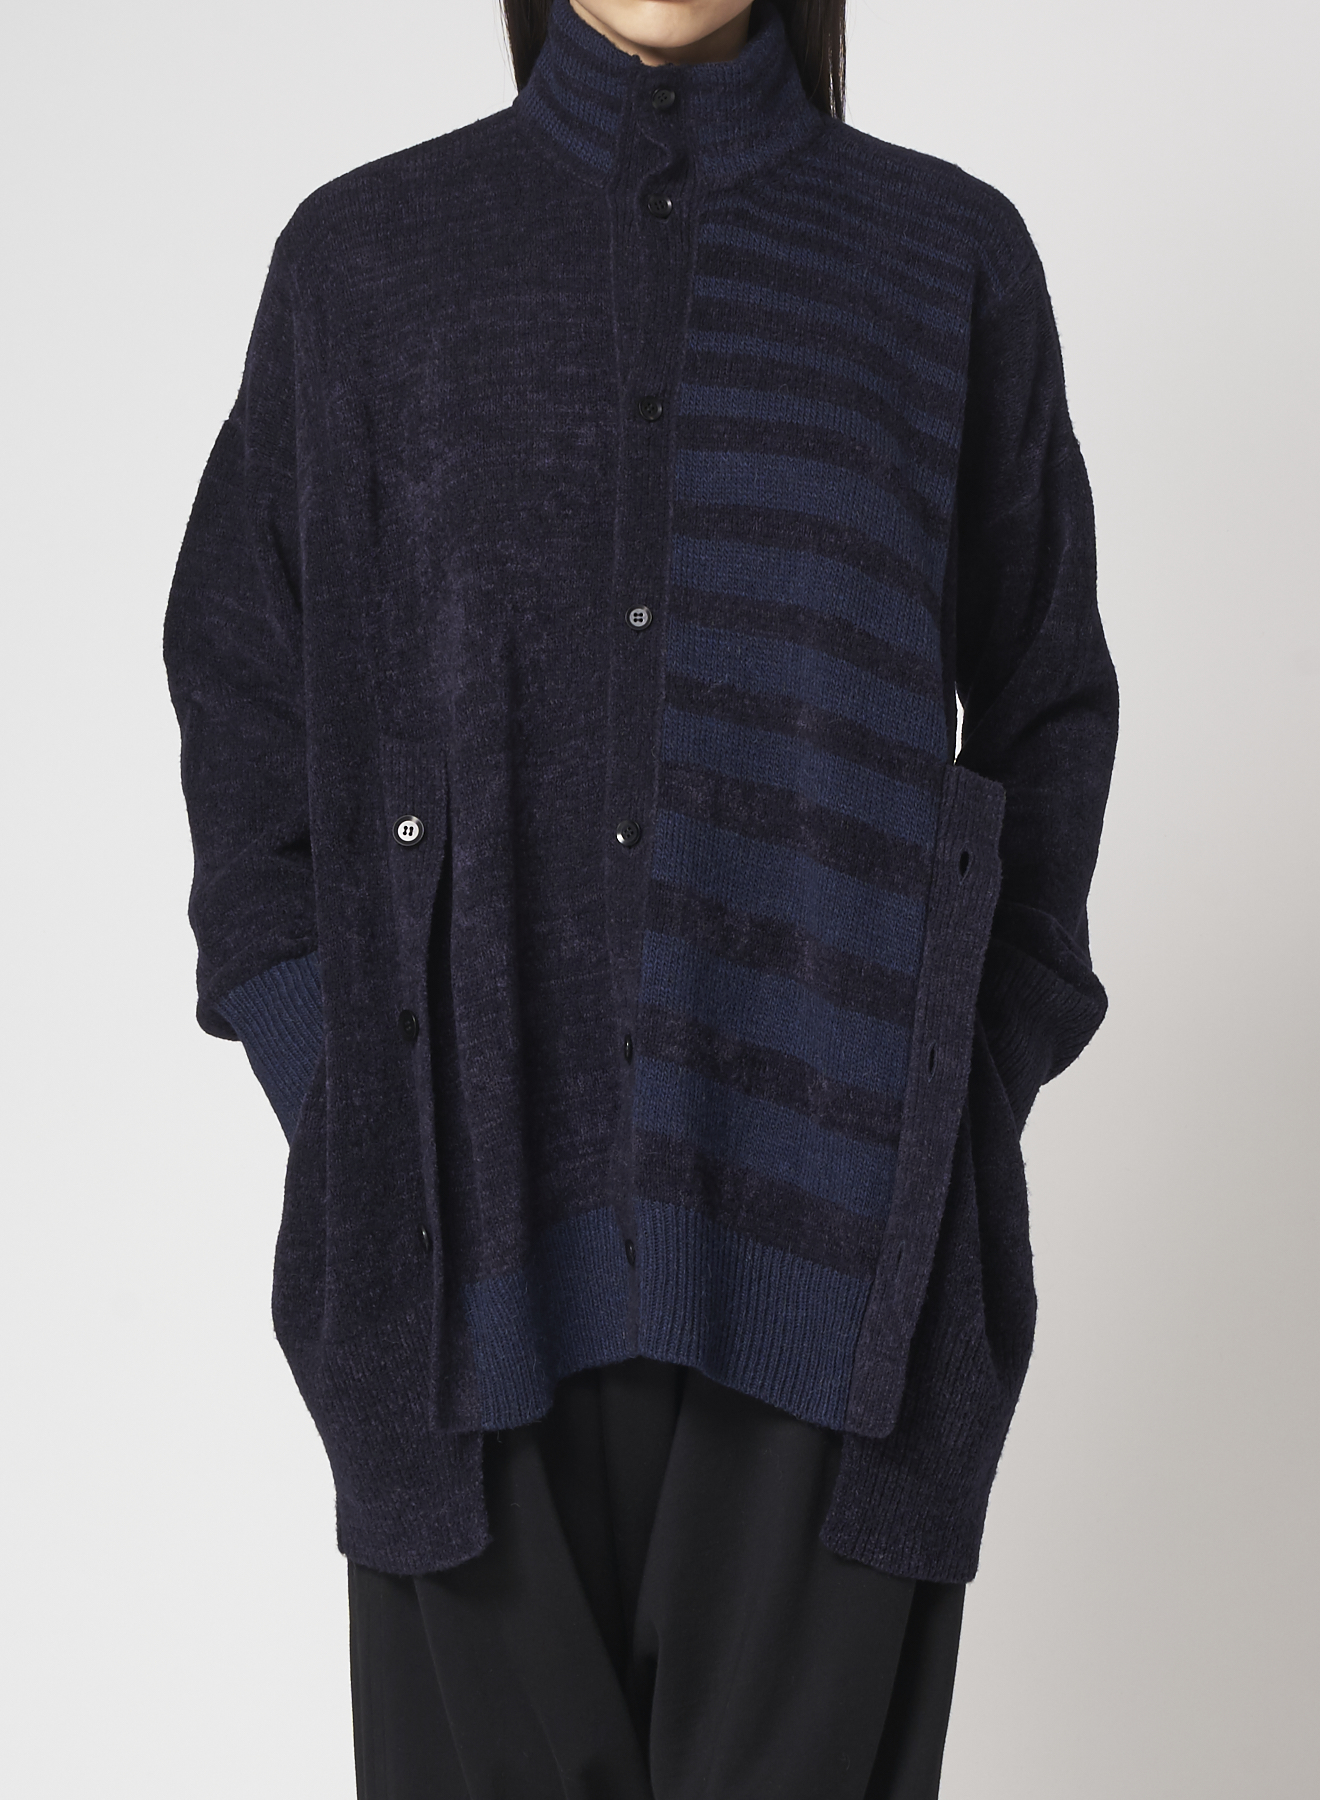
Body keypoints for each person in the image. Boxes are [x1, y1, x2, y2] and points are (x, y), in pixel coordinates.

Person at [163, 0, 1119, 1792]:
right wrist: (345, 1089)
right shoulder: (367, 265)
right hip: (457, 1277)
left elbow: (1050, 703)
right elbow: (241, 684)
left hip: (844, 1285)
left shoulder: (948, 262)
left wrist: (951, 1088)